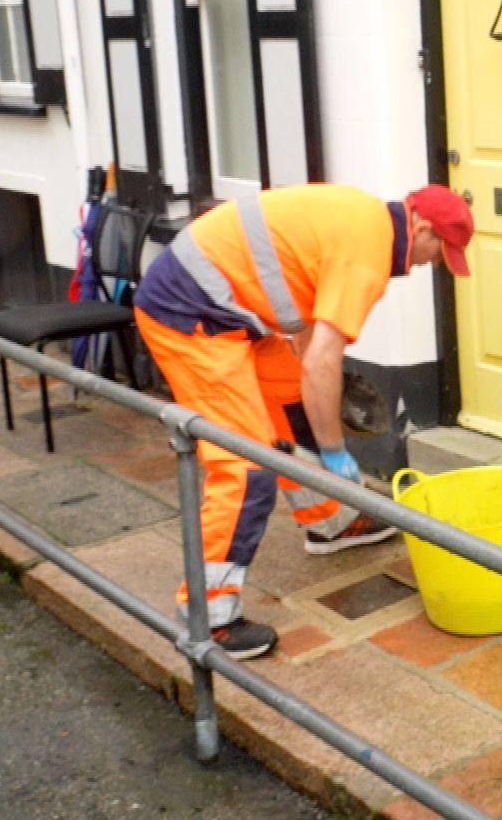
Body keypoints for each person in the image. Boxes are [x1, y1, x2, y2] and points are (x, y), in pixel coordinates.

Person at [132, 183, 473, 659]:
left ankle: (328, 521)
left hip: (231, 311)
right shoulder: (367, 255)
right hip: (189, 315)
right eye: (440, 250)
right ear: (420, 227)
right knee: (245, 467)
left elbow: (306, 330)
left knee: (293, 405)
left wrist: (310, 405)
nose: (433, 263)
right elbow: (322, 363)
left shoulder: (365, 222)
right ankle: (208, 618)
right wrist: (334, 452)